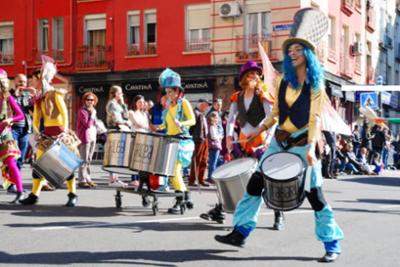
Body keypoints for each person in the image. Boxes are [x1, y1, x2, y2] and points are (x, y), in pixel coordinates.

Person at [214, 8, 344, 263]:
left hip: (303, 143)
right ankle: (240, 231)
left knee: (315, 196)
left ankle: (331, 243)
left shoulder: (316, 85)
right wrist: (259, 132)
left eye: (298, 51)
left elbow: (315, 117)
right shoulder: (283, 82)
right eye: (290, 51)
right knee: (254, 184)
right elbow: (275, 114)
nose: (293, 54)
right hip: (278, 141)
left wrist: (309, 147)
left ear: (307, 54)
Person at [201, 60, 283, 230]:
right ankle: (220, 209)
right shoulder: (236, 97)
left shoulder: (263, 95)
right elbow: (231, 119)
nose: (254, 76)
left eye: (256, 74)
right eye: (250, 74)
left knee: (267, 179)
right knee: (235, 177)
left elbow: (272, 120)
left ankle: (278, 213)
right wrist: (229, 137)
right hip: (243, 142)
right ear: (244, 77)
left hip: (261, 141)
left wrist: (267, 139)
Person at [20, 58, 81, 206]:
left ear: (40, 79)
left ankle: (73, 194)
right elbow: (37, 117)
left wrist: (64, 132)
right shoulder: (40, 97)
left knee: (65, 166)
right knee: (39, 166)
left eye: (33, 80)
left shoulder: (54, 94)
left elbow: (64, 112)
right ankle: (34, 195)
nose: (32, 83)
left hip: (59, 134)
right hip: (46, 135)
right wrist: (36, 131)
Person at [158, 68, 196, 214]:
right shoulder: (168, 108)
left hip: (182, 142)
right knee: (172, 172)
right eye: (167, 92)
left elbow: (192, 120)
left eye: (171, 92)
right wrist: (156, 127)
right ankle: (186, 196)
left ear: (178, 91)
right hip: (171, 142)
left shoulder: (184, 103)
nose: (169, 95)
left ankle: (180, 200)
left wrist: (182, 123)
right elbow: (166, 125)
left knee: (174, 171)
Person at [0, 69, 25, 203]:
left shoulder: (6, 96)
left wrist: (10, 120)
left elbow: (20, 115)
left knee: (11, 162)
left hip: (4, 134)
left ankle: (20, 191)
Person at [105, 85, 130, 187]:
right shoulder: (111, 104)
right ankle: (112, 179)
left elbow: (126, 115)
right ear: (115, 94)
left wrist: (123, 103)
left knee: (117, 154)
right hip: (114, 129)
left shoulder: (117, 104)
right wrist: (125, 122)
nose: (122, 94)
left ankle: (115, 178)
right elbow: (114, 119)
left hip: (119, 129)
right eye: (120, 93)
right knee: (114, 154)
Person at [10, 73, 35, 170]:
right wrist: (15, 95)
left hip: (25, 129)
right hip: (12, 129)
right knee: (12, 156)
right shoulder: (9, 94)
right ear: (15, 81)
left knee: (21, 156)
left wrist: (34, 97)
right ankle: (11, 182)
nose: (22, 84)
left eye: (24, 82)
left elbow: (33, 111)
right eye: (20, 81)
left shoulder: (27, 96)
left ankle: (15, 179)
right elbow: (8, 107)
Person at [76, 92, 98, 188]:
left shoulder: (92, 111)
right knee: (84, 159)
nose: (90, 101)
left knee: (89, 159)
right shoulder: (82, 111)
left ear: (94, 101)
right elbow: (87, 124)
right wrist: (92, 115)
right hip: (85, 137)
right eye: (88, 99)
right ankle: (82, 180)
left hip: (92, 135)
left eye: (91, 100)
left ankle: (88, 178)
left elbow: (94, 124)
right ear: (84, 101)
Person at [128, 94, 151, 187]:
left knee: (143, 159)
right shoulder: (131, 112)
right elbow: (137, 124)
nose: (141, 104)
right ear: (135, 103)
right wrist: (144, 125)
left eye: (142, 102)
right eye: (139, 102)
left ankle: (142, 178)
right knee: (135, 158)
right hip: (136, 136)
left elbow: (147, 126)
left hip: (145, 136)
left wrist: (145, 126)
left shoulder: (145, 114)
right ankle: (134, 179)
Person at [188, 99, 210, 187]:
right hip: (198, 140)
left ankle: (201, 179)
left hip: (204, 139)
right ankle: (192, 180)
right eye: (206, 105)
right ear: (201, 105)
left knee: (204, 160)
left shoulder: (201, 113)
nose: (207, 107)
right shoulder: (195, 113)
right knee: (196, 160)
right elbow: (191, 128)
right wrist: (193, 138)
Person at [207, 111, 223, 184]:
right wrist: (220, 137)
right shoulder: (212, 126)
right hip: (215, 146)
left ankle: (212, 176)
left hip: (214, 146)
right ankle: (211, 177)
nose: (217, 119)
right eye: (216, 118)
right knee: (213, 162)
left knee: (215, 162)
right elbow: (213, 137)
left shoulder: (213, 125)